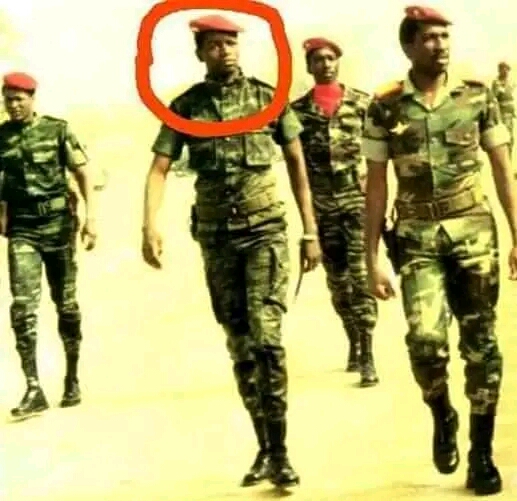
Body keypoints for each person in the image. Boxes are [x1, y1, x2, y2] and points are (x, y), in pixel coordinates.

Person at [141, 15, 321, 489]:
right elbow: (159, 168)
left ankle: (281, 453)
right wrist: (150, 225)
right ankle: (264, 445)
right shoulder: (187, 107)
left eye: (230, 43)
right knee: (240, 345)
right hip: (218, 239)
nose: (225, 51)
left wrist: (311, 231)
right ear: (200, 53)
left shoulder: (268, 99)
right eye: (215, 45)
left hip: (265, 232)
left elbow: (297, 163)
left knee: (267, 340)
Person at [362, 6, 517, 496]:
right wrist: (371, 259)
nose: (440, 45)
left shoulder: (477, 96)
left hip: (473, 232)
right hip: (416, 238)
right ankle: (441, 411)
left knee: (481, 344)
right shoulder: (385, 107)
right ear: (408, 45)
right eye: (429, 37)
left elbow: (503, 168)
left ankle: (481, 454)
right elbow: (375, 186)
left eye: (445, 36)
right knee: (426, 341)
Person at [0, 72, 97, 419]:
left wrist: (91, 218)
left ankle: (72, 377)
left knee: (66, 305)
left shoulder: (57, 130)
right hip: (23, 230)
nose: (13, 105)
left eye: (19, 99)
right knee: (22, 308)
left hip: (58, 228)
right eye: (8, 99)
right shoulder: (1, 137)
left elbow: (83, 173)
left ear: (32, 98)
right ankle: (33, 387)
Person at [291, 37, 379, 386]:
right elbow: (296, 166)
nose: (325, 65)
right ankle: (353, 340)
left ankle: (368, 354)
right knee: (338, 283)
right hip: (323, 208)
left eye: (330, 58)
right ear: (309, 67)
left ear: (338, 62)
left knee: (361, 277)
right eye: (318, 60)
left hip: (356, 204)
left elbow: (381, 149)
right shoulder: (298, 112)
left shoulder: (361, 103)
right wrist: (308, 225)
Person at [491, 62, 515, 170]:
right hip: (502, 115)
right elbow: (494, 99)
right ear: (500, 70)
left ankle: (508, 164)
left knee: (511, 140)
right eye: (504, 69)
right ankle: (504, 166)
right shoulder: (497, 83)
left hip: (510, 115)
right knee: (504, 141)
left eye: (507, 69)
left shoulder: (510, 82)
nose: (506, 72)